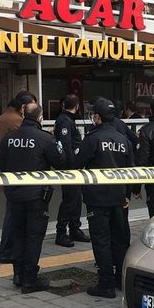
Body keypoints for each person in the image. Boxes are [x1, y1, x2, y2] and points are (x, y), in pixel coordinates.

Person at [0, 99, 66, 294]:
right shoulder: (45, 138)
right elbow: (60, 161)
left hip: (14, 194)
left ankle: (18, 275)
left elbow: (2, 163)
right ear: (40, 118)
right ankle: (29, 280)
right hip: (36, 196)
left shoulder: (10, 138)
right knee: (34, 236)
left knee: (18, 233)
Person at [75, 98, 135, 298]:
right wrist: (129, 193)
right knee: (120, 239)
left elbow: (77, 163)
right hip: (119, 199)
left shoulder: (92, 138)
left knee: (101, 241)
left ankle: (106, 284)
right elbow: (132, 170)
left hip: (97, 199)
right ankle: (120, 279)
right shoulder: (123, 140)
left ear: (98, 117)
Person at [0, 91, 28, 264]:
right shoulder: (16, 121)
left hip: (3, 170)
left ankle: (8, 250)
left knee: (12, 211)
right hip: (14, 173)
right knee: (13, 213)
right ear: (23, 107)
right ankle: (7, 251)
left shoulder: (2, 117)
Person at [54, 94, 91, 248]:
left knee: (76, 200)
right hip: (70, 168)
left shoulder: (68, 120)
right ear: (77, 107)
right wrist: (72, 165)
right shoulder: (64, 120)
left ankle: (75, 228)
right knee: (69, 201)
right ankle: (61, 233)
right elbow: (66, 144)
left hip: (75, 167)